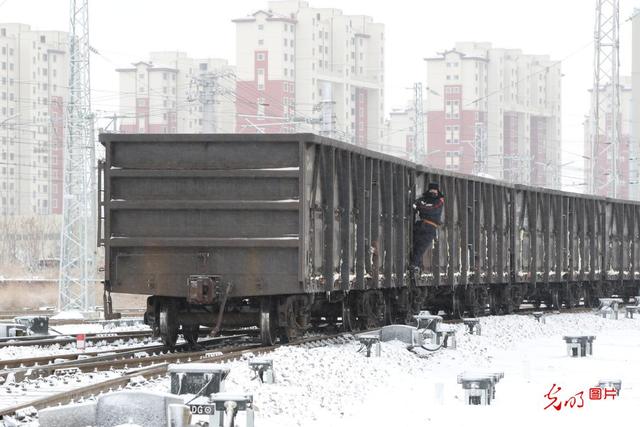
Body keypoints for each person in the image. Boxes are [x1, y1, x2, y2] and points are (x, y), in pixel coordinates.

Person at [411, 182, 444, 271]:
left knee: (420, 248)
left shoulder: (440, 201)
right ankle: (413, 265)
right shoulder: (423, 199)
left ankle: (414, 266)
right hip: (420, 225)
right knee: (413, 245)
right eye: (432, 190)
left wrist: (420, 207)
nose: (433, 193)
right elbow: (415, 205)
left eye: (435, 191)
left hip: (430, 227)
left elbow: (432, 210)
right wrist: (419, 207)